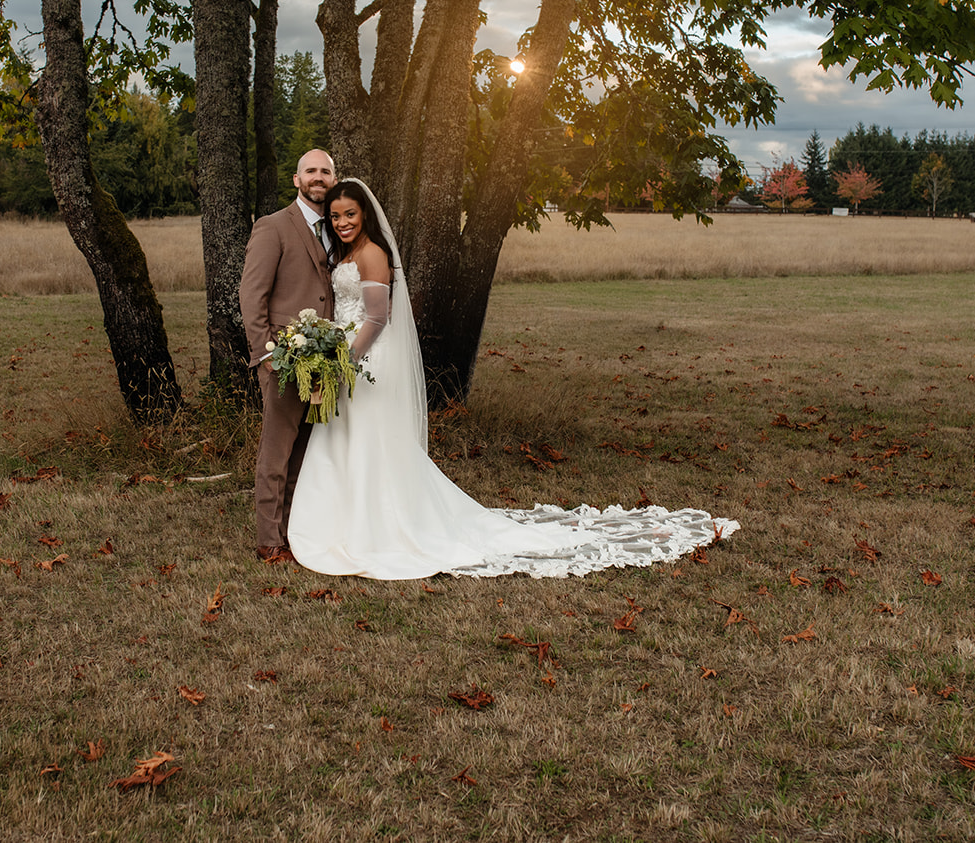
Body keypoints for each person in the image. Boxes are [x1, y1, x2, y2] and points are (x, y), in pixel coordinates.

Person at [287, 179, 737, 580]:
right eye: (336, 215)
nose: (343, 221)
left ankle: (382, 527)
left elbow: (378, 318)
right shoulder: (343, 253)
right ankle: (346, 521)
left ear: (365, 214)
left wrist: (342, 363)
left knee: (370, 444)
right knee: (346, 440)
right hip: (347, 359)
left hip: (365, 361)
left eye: (351, 214)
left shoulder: (372, 253)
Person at [238, 149, 336, 563]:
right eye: (310, 171)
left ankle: (293, 532)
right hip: (283, 358)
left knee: (306, 452)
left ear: (335, 179)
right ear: (296, 180)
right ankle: (269, 542)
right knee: (276, 452)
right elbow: (251, 294)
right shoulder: (273, 226)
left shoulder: (341, 226)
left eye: (326, 171)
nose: (318, 177)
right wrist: (265, 355)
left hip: (326, 362)